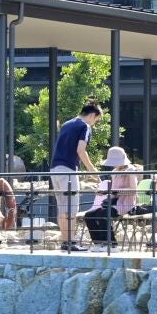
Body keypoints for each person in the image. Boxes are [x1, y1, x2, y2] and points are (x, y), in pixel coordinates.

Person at [49, 102, 103, 250]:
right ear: (92, 115)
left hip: (54, 169)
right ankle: (71, 243)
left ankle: (64, 242)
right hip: (68, 169)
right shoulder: (85, 126)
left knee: (62, 208)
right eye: (96, 120)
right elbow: (81, 150)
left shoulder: (67, 124)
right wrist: (92, 170)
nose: (94, 123)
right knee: (71, 208)